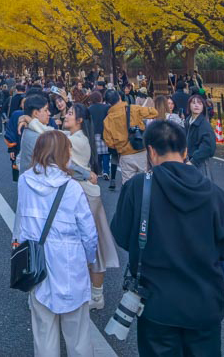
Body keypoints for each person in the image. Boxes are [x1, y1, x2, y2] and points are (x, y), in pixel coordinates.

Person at [111, 120, 224, 357]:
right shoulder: (214, 194)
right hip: (205, 303)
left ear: (150, 151)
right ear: (185, 152)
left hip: (156, 304)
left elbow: (121, 234)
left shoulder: (138, 187)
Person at [13, 131, 98, 357]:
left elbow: (20, 222)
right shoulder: (71, 187)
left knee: (44, 333)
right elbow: (88, 233)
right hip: (70, 263)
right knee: (78, 335)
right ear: (62, 154)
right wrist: (89, 260)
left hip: (37, 262)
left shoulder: (25, 181)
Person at [61, 103, 117, 311]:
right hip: (87, 194)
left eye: (70, 113)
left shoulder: (74, 140)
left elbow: (65, 163)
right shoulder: (80, 138)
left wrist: (29, 122)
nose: (65, 116)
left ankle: (94, 294)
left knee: (90, 245)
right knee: (93, 244)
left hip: (84, 195)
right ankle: (94, 294)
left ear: (80, 120)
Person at [102, 88, 157, 184]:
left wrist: (119, 145)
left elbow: (109, 142)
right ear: (119, 97)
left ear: (108, 103)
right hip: (141, 150)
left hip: (125, 154)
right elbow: (154, 112)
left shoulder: (108, 120)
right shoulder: (134, 109)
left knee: (128, 186)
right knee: (144, 183)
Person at [183, 94, 215, 178]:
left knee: (202, 188)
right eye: (193, 103)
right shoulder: (187, 121)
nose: (196, 105)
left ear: (203, 107)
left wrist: (194, 161)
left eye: (200, 103)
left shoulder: (204, 125)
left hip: (200, 163)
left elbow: (208, 147)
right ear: (189, 105)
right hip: (188, 160)